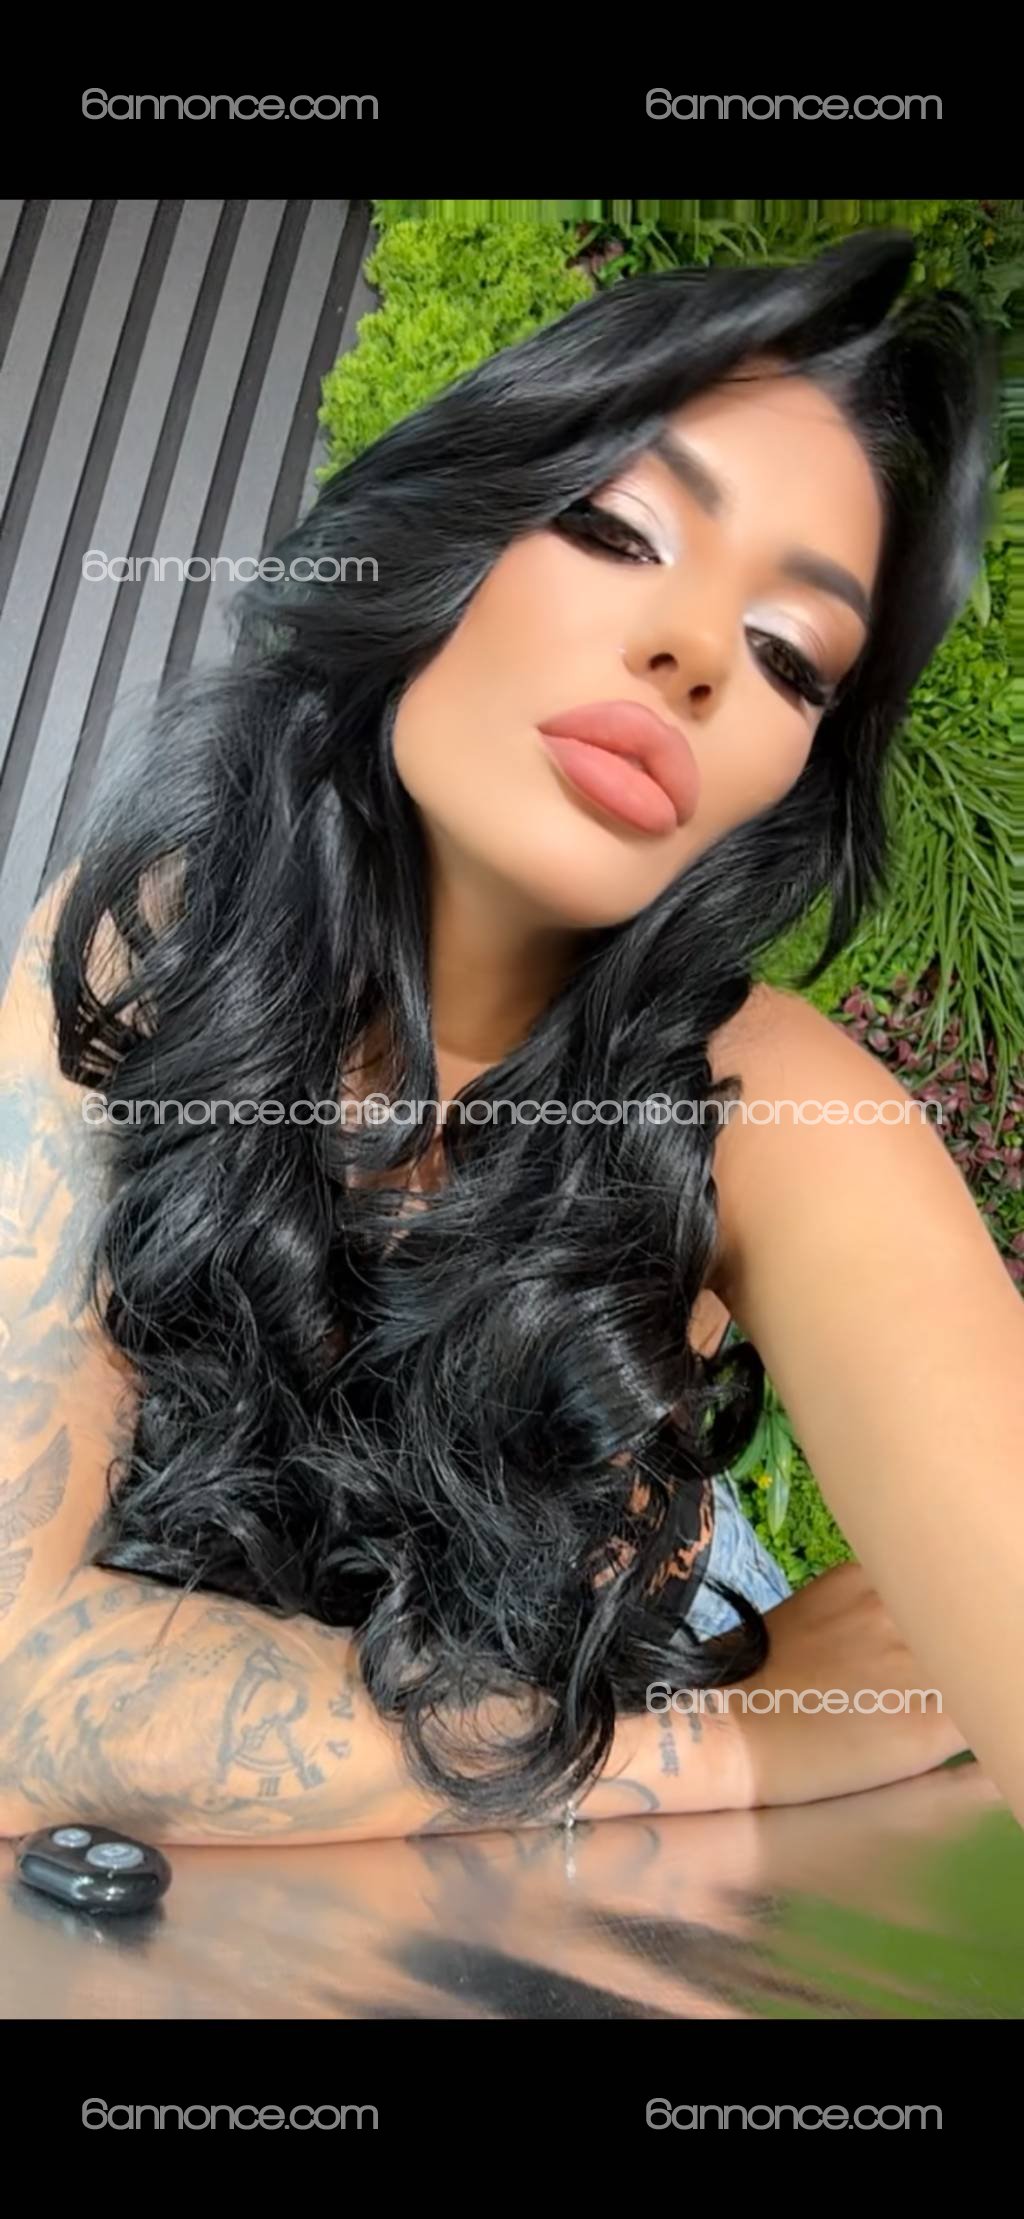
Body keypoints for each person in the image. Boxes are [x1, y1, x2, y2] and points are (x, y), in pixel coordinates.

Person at [1, 228, 1021, 1849]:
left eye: (789, 657)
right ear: (437, 541)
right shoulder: (157, 937)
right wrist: (724, 1740)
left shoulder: (782, 1111)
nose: (697, 655)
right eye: (617, 528)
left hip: (599, 1675)